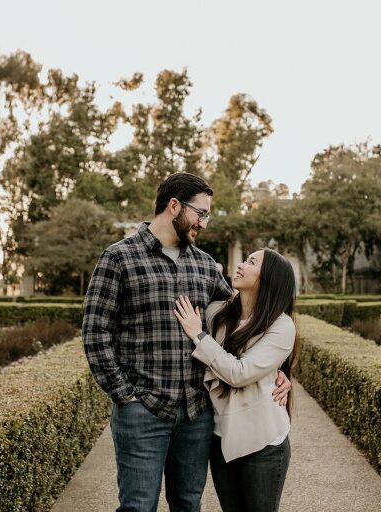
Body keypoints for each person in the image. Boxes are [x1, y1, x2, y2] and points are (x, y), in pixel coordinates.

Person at [82, 172, 292, 512]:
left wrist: (279, 368)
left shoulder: (205, 266)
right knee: (138, 507)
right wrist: (125, 395)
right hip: (142, 412)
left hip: (197, 415)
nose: (204, 224)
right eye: (201, 213)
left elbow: (249, 319)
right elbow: (95, 333)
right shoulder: (119, 258)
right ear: (174, 205)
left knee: (187, 505)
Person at [173, 248, 297, 512]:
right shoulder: (218, 313)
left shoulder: (281, 326)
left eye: (251, 262)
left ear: (267, 278)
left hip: (263, 444)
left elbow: (240, 373)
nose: (240, 265)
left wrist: (199, 336)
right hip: (221, 441)